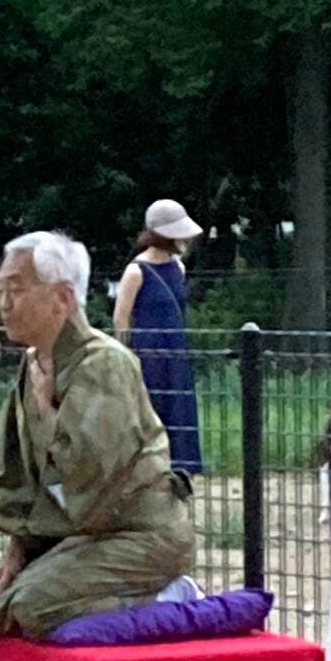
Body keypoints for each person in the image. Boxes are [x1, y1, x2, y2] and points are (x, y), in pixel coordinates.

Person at [0, 230, 195, 638]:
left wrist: (50, 408)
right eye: (0, 290)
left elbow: (87, 473)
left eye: (16, 289)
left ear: (63, 298)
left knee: (28, 607)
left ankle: (166, 597)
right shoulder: (35, 364)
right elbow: (20, 472)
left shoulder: (106, 364)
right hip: (86, 531)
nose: (4, 303)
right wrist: (18, 552)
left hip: (140, 534)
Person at [112, 199, 203, 474]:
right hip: (148, 352)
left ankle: (181, 466)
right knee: (151, 405)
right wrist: (125, 354)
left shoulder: (179, 268)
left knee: (178, 406)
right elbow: (121, 316)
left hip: (176, 349)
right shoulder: (136, 271)